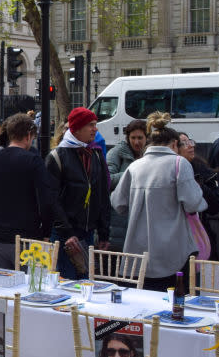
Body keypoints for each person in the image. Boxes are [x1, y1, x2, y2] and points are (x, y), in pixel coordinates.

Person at [111, 112, 206, 291]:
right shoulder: (179, 164)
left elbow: (117, 203)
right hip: (174, 252)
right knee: (176, 306)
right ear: (174, 144)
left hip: (138, 254)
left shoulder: (135, 166)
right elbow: (193, 204)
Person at [0, 113, 54, 269]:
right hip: (27, 238)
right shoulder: (33, 161)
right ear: (29, 136)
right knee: (31, 288)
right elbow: (46, 200)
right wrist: (46, 232)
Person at [46, 107, 111, 279]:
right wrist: (67, 232)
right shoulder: (57, 156)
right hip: (64, 235)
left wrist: (104, 231)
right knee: (66, 283)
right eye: (90, 125)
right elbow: (51, 200)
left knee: (85, 282)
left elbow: (103, 194)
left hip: (87, 232)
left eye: (95, 124)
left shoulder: (95, 154)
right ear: (77, 128)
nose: (95, 129)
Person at [177, 131, 219, 258]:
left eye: (190, 141)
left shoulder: (201, 169)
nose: (191, 146)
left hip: (201, 236)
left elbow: (217, 206)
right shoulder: (169, 173)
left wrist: (199, 186)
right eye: (184, 143)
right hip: (178, 240)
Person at [107, 119, 147, 252]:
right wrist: (133, 172)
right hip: (119, 217)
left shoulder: (148, 155)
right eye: (133, 138)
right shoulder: (116, 153)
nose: (136, 142)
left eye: (140, 138)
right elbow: (108, 180)